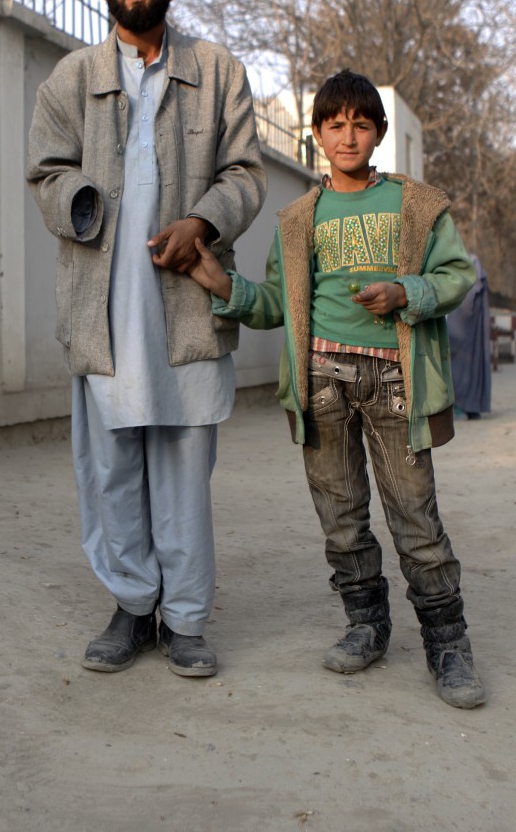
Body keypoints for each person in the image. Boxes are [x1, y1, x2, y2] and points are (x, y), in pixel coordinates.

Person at [188, 70, 485, 708]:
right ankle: (366, 626)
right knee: (341, 518)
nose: (347, 135)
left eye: (360, 123)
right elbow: (276, 304)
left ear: (378, 132)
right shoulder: (299, 218)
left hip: (395, 381)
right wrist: (223, 287)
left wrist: (408, 291)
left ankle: (449, 644)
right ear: (317, 134)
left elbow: (458, 274)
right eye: (334, 124)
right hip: (321, 381)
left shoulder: (415, 204)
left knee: (415, 517)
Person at [27, 0, 266, 678]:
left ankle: (187, 619)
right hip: (104, 313)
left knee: (183, 464)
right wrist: (89, 202)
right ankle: (133, 607)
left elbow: (247, 173)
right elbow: (44, 174)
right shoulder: (70, 79)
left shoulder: (218, 70)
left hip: (187, 309)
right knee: (111, 467)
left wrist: (202, 221)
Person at [448, 254, 492, 420]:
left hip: (464, 330)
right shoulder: (471, 268)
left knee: (461, 369)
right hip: (464, 331)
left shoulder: (468, 267)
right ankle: (470, 406)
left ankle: (466, 405)